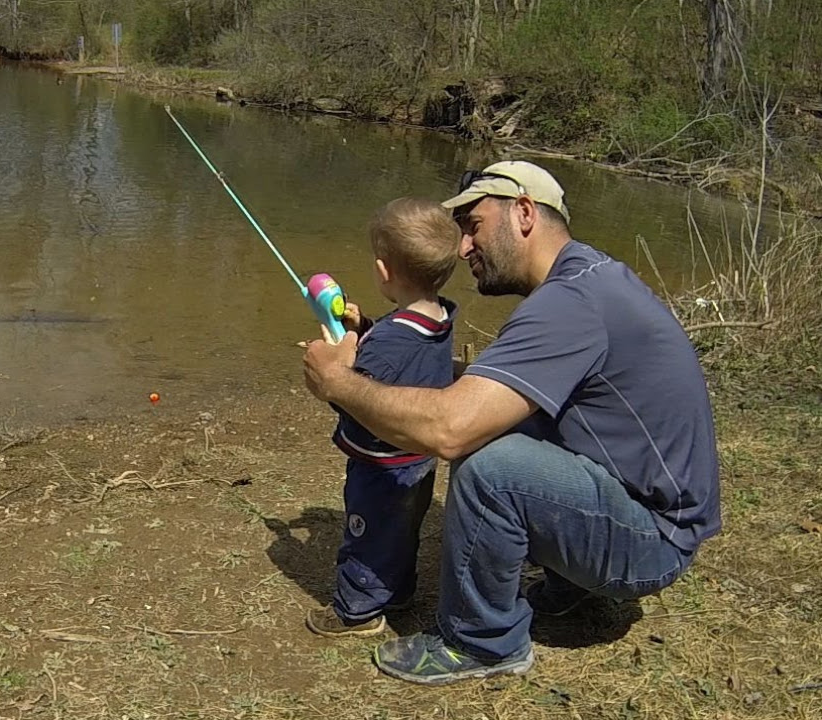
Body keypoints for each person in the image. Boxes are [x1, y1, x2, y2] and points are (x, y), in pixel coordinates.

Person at [301, 161, 720, 685]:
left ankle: (480, 642)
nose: (462, 248)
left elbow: (449, 430)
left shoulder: (570, 302)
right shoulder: (587, 277)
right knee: (496, 419)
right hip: (649, 518)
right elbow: (489, 386)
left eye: (473, 225)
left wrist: (338, 383)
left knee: (485, 458)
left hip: (652, 542)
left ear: (523, 213)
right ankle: (571, 584)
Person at [305, 198, 459, 639]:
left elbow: (357, 397)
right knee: (402, 528)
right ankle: (399, 590)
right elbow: (399, 355)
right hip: (418, 458)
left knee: (367, 532)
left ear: (384, 270)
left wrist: (335, 365)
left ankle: (357, 609)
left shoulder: (390, 340)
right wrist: (363, 326)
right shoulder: (438, 318)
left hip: (380, 463)